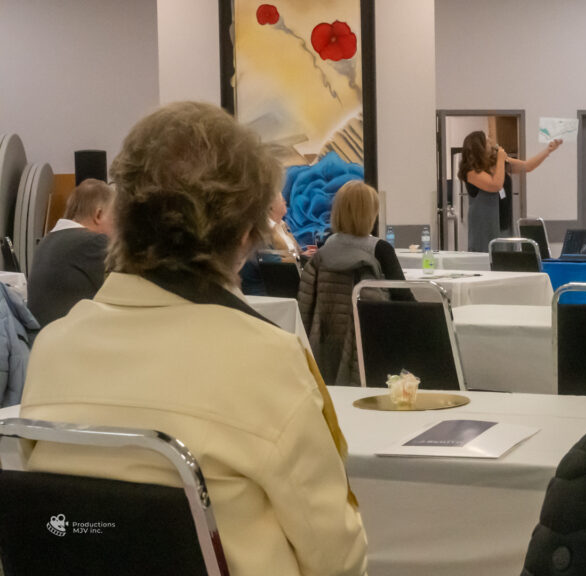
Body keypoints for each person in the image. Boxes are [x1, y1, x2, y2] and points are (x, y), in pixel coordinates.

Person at [19, 102, 368, 576]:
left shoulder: (52, 350)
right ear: (246, 234)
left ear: (119, 219)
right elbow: (337, 560)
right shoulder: (267, 360)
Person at [298, 180, 411, 385]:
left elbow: (306, 304)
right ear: (370, 213)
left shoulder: (324, 252)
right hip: (372, 345)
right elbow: (406, 301)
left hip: (326, 344)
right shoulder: (380, 250)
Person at [27, 178, 114, 327]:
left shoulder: (47, 241)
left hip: (43, 340)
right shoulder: (93, 242)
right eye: (115, 218)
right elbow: (127, 288)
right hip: (71, 341)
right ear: (99, 215)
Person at [459, 130, 562, 252]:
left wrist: (548, 150)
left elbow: (527, 166)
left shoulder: (498, 163)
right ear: (479, 148)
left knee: (505, 257)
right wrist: (501, 160)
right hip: (485, 228)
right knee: (489, 258)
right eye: (487, 141)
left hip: (504, 224)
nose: (491, 143)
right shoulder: (471, 172)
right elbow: (496, 185)